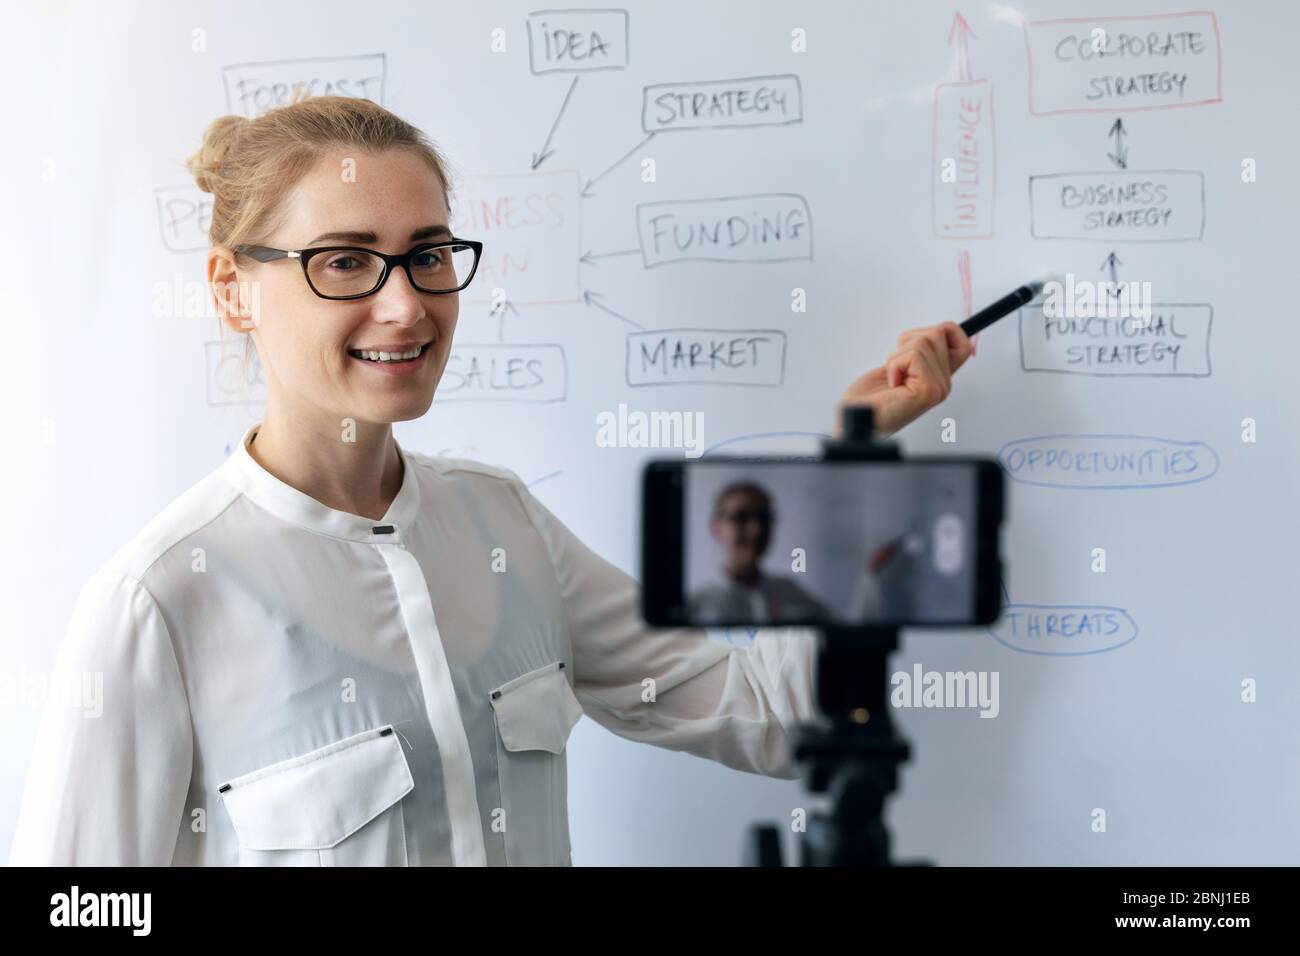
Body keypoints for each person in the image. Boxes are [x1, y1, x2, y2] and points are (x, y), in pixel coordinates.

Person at [7, 95, 973, 866]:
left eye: (428, 255)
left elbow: (770, 717)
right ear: (231, 289)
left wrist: (854, 464)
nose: (407, 305)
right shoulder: (159, 602)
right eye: (346, 260)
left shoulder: (504, 523)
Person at [689, 482, 898, 624]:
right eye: (740, 517)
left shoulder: (789, 591)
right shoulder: (696, 605)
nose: (755, 530)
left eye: (763, 518)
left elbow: (848, 637)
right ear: (716, 527)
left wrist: (871, 574)